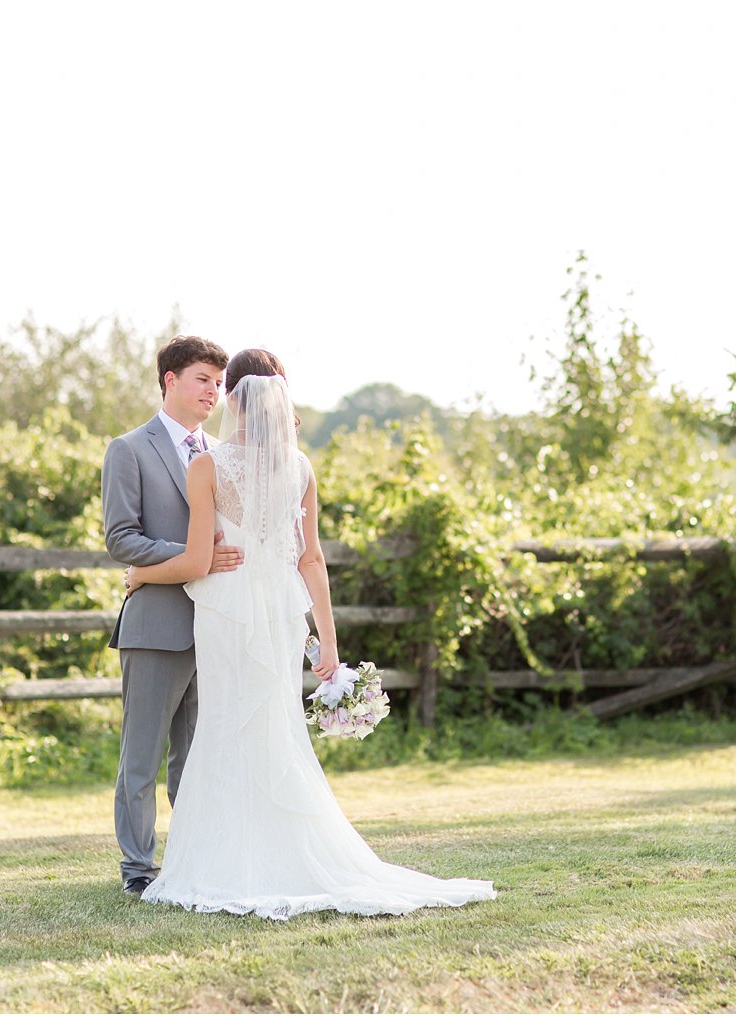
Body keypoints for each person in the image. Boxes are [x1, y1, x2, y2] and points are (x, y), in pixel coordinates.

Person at [122, 348, 496, 920]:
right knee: (274, 728)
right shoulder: (298, 467)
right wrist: (328, 640)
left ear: (235, 399)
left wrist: (141, 572)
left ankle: (220, 863)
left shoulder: (210, 467)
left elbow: (199, 559)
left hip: (226, 614)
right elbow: (312, 559)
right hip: (280, 617)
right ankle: (284, 853)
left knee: (223, 729)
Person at [101, 335, 245, 897]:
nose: (213, 392)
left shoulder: (222, 459)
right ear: (170, 381)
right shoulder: (129, 449)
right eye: (203, 380)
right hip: (156, 625)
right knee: (142, 757)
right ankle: (138, 870)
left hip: (213, 626)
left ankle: (191, 862)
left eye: (218, 382)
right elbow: (121, 539)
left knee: (196, 758)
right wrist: (193, 560)